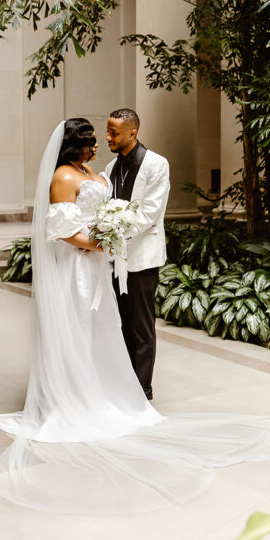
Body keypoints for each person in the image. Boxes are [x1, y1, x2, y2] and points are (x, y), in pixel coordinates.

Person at [0, 118, 270, 514]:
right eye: (93, 141)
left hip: (107, 263)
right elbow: (61, 228)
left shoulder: (99, 170)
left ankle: (116, 392)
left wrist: (109, 237)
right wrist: (100, 241)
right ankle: (75, 396)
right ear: (76, 146)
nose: (101, 144)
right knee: (79, 328)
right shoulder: (65, 176)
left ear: (132, 131)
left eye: (109, 136)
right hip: (79, 267)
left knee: (111, 329)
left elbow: (138, 211)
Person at [105, 108, 168, 400]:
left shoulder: (157, 164)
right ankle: (124, 382)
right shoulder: (109, 168)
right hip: (114, 259)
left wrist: (112, 231)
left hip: (142, 256)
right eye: (107, 131)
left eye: (113, 132)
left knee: (142, 327)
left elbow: (150, 214)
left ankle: (143, 389)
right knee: (121, 323)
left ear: (132, 132)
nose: (108, 138)